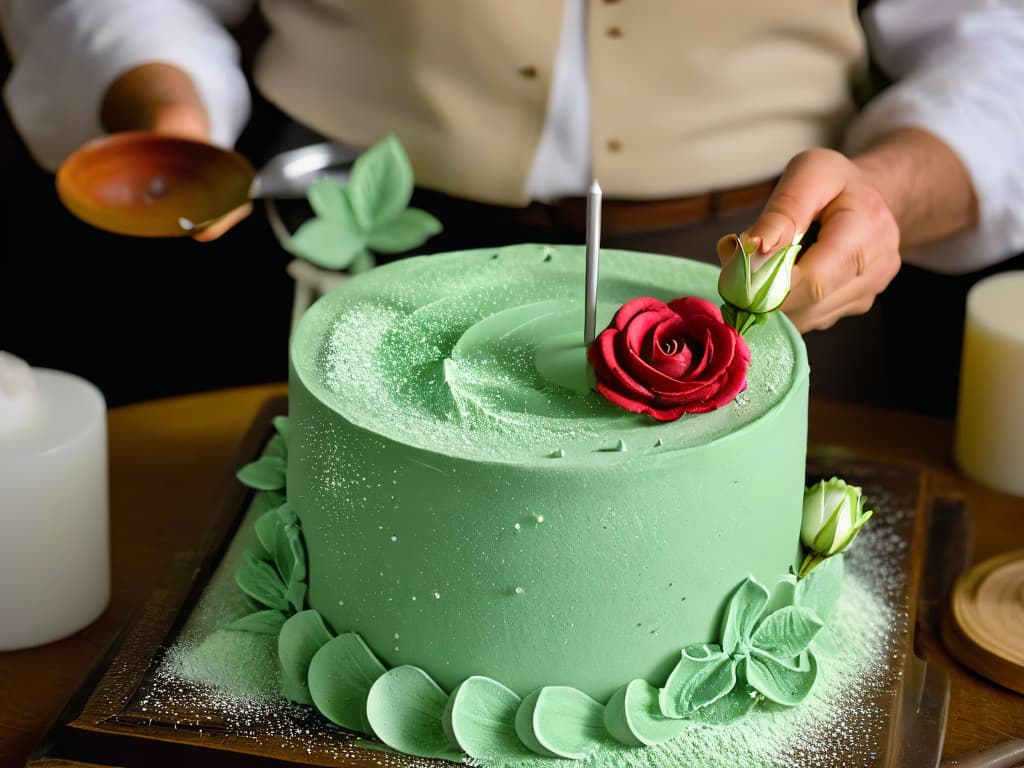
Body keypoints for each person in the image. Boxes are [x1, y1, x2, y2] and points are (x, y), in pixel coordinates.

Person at [2, 1, 1022, 414]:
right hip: (336, 242)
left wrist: (887, 189)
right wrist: (161, 97)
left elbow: (993, 34)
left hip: (752, 265)